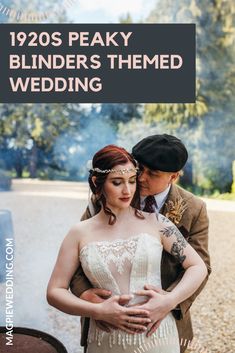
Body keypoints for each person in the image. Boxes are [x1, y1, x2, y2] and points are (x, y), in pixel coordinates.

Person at [47, 144, 208, 353]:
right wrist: (97, 310)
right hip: (104, 337)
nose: (128, 190)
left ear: (173, 176)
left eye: (132, 181)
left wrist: (169, 300)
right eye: (117, 182)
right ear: (97, 182)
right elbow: (54, 291)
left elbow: (198, 266)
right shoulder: (79, 232)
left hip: (158, 336)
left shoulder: (158, 223)